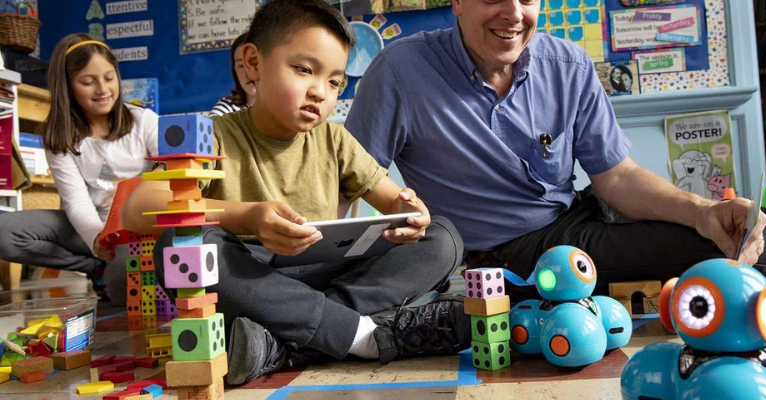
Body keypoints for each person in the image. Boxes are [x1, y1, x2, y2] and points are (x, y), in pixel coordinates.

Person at [346, 0, 766, 300]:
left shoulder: (568, 63)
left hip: (578, 215)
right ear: (458, 2)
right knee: (736, 248)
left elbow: (617, 177)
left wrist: (699, 207)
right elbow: (351, 177)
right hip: (513, 254)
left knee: (747, 222)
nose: (513, 14)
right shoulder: (399, 71)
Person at [123, 0, 469, 387]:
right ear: (253, 64)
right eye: (304, 69)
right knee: (179, 244)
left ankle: (283, 344)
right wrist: (246, 216)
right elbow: (138, 209)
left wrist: (411, 212)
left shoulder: (335, 138)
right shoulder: (215, 134)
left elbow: (395, 201)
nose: (320, 91)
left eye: (335, 81)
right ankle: (362, 336)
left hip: (323, 276)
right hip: (253, 277)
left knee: (443, 238)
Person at [0, 34, 158, 299]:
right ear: (68, 86)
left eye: (109, 78)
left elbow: (166, 175)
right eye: (88, 82)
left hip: (138, 229)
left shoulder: (144, 121)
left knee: (125, 291)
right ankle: (95, 268)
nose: (103, 89)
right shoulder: (61, 138)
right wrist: (97, 239)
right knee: (3, 232)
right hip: (93, 227)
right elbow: (76, 203)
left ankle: (109, 273)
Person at [208, 32, 257, 117]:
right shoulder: (225, 110)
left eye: (254, 63)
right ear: (235, 70)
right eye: (241, 65)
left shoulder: (284, 105)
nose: (248, 73)